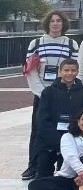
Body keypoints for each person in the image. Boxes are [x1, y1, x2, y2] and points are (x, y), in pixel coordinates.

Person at [21, 10, 79, 180]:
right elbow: (30, 71)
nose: (55, 24)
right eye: (52, 21)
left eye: (59, 21)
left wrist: (65, 89)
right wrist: (42, 92)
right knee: (38, 130)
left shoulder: (71, 44)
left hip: (63, 93)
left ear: (63, 24)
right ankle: (34, 165)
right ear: (47, 23)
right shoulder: (36, 43)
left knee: (65, 128)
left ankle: (63, 163)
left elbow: (75, 69)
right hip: (43, 94)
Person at [34, 58, 83, 178]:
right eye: (66, 70)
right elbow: (42, 118)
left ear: (78, 71)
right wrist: (57, 141)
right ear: (60, 71)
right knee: (43, 175)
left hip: (73, 138)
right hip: (49, 139)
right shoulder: (48, 92)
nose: (70, 73)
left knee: (65, 176)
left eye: (73, 70)